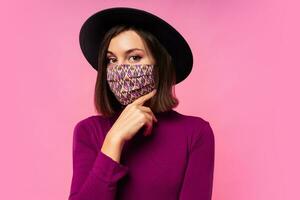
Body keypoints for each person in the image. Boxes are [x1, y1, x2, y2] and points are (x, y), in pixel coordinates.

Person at [68, 7, 215, 200]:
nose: (120, 69)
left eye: (134, 57)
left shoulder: (195, 133)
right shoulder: (89, 131)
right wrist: (113, 140)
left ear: (160, 64)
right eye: (111, 60)